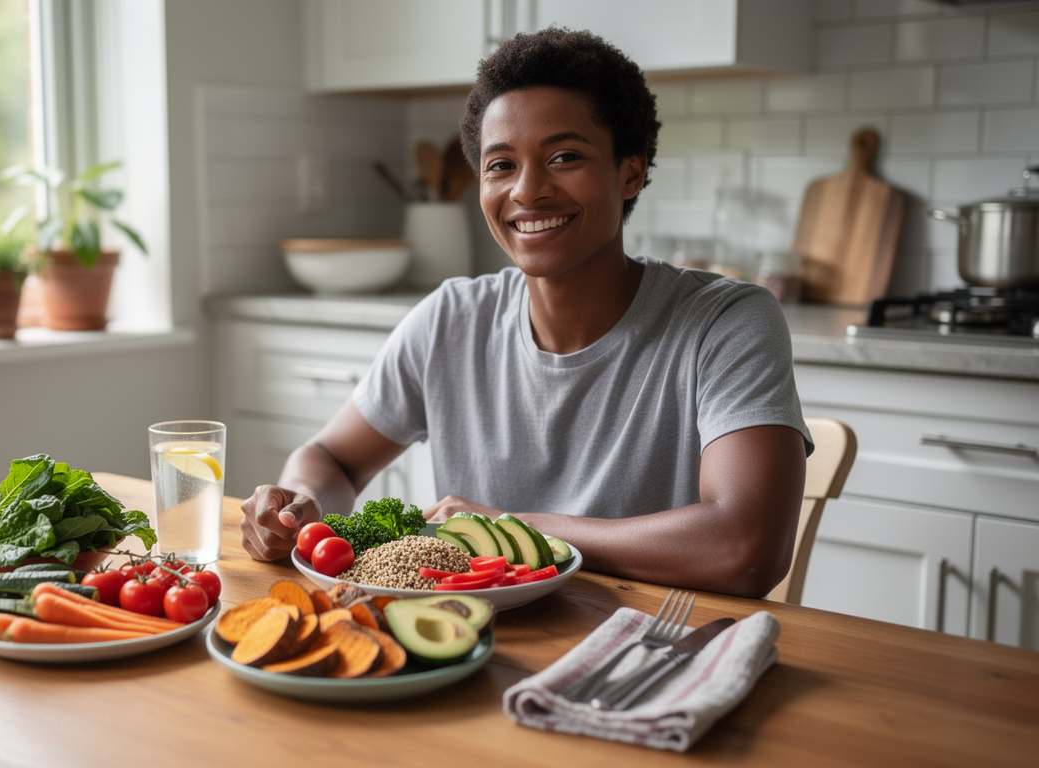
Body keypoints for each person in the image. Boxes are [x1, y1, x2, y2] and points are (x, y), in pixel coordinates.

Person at [240, 27, 812, 599]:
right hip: (476, 644)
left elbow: (746, 548)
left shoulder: (728, 322)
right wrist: (298, 505)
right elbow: (331, 459)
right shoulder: (450, 320)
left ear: (630, 172)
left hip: (650, 649)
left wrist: (513, 528)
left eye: (565, 157)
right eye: (501, 165)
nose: (528, 191)